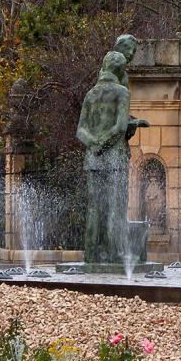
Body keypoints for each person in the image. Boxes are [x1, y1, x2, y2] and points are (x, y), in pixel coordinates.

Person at [77, 51, 131, 264]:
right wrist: (104, 143)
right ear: (119, 70)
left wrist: (94, 144)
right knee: (114, 207)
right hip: (114, 159)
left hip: (93, 160)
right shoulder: (122, 92)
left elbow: (81, 130)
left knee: (94, 208)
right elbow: (120, 127)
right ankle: (113, 254)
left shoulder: (91, 94)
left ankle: (91, 254)